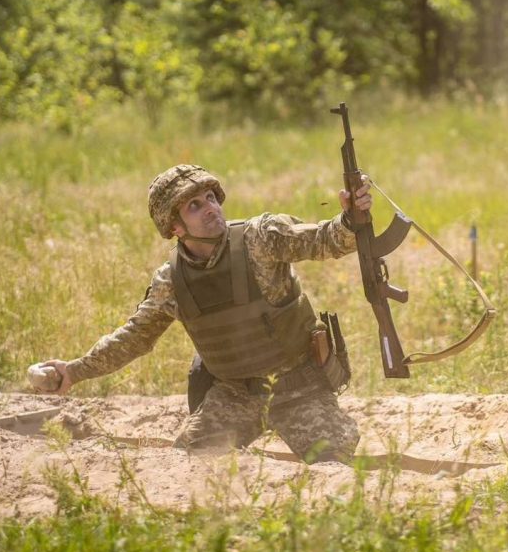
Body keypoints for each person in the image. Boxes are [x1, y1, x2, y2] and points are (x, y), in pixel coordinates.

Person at [40, 164, 370, 462]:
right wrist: (74, 371)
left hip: (300, 388)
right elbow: (133, 339)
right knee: (190, 462)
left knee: (331, 462)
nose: (210, 209)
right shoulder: (171, 280)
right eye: (194, 206)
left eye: (211, 197)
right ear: (174, 227)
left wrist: (350, 219)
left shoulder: (261, 238)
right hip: (234, 396)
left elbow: (325, 240)